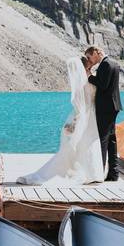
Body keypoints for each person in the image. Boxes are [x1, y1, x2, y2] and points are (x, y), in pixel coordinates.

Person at [17, 56, 104, 185]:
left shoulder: (81, 84)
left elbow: (79, 105)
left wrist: (75, 121)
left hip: (83, 115)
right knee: (88, 143)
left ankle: (80, 171)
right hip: (92, 116)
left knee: (77, 144)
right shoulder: (92, 80)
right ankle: (93, 173)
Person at [84, 46, 122, 181]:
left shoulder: (105, 64)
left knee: (103, 139)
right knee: (111, 140)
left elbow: (103, 84)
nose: (90, 60)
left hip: (105, 108)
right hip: (113, 106)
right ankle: (113, 173)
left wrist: (89, 76)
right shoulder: (114, 63)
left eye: (89, 57)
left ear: (96, 53)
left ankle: (98, 173)